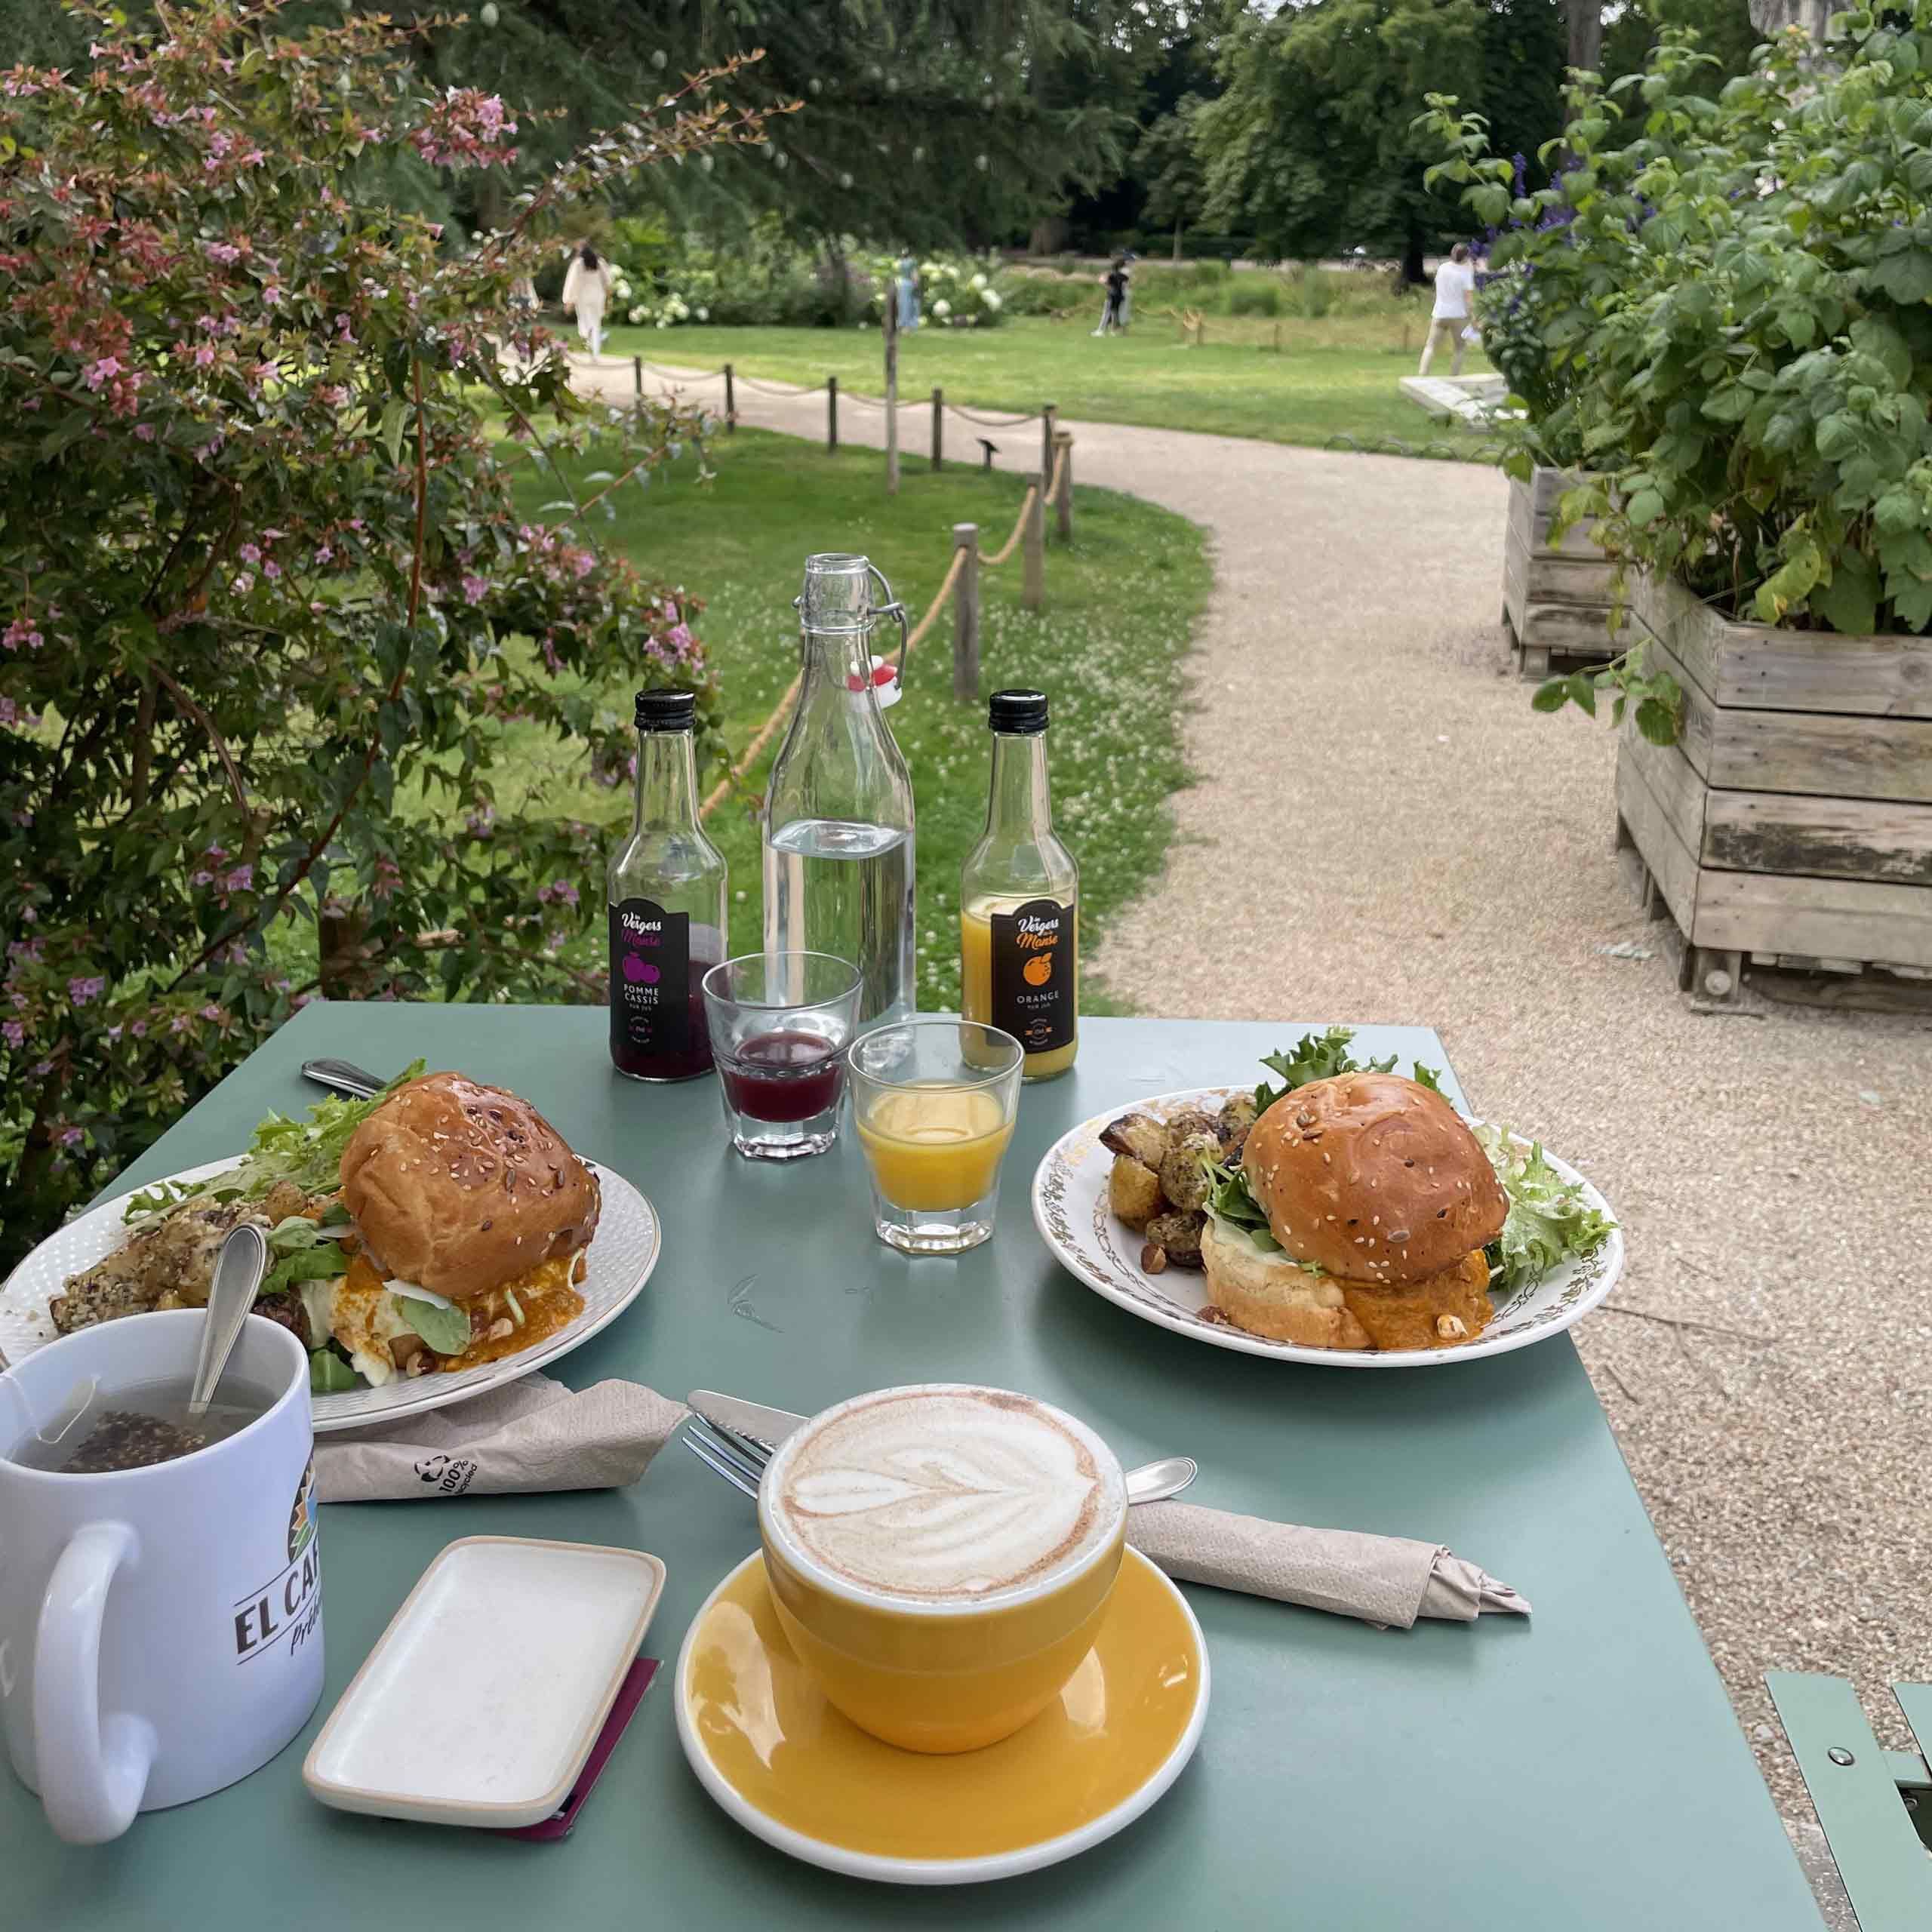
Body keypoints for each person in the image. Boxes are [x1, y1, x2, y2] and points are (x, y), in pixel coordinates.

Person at [1418, 243, 1476, 377]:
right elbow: (1468, 299)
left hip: (1440, 312)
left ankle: (1422, 374)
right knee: (1460, 348)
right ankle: (1454, 376)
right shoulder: (1466, 273)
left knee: (1430, 345)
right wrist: (1472, 317)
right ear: (1466, 257)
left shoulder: (1443, 268)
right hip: (1458, 315)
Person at [561, 242, 612, 359]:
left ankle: (589, 343)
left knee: (585, 323)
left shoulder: (578, 264)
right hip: (598, 296)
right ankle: (595, 353)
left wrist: (568, 301)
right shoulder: (600, 263)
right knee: (596, 324)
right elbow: (608, 282)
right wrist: (608, 300)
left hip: (583, 297)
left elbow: (572, 283)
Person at [1093, 255, 1128, 337]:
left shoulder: (1111, 275)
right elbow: (1126, 285)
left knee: (1106, 313)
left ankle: (1100, 331)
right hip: (1120, 296)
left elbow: (1102, 281)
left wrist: (1104, 282)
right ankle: (1113, 331)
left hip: (1111, 295)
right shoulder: (1124, 276)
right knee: (1115, 313)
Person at [896, 251, 920, 332]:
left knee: (903, 304)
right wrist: (916, 284)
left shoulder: (901, 262)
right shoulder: (912, 262)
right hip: (910, 283)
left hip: (902, 283)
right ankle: (908, 326)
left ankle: (901, 323)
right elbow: (914, 274)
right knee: (910, 305)